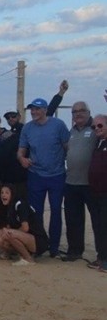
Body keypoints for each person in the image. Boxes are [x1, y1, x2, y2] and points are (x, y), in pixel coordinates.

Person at [17, 97, 70, 257]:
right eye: (32, 109)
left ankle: (54, 248)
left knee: (56, 211)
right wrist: (22, 159)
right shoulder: (27, 128)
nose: (34, 112)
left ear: (45, 110)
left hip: (57, 175)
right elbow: (21, 151)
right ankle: (39, 246)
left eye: (37, 109)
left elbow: (68, 147)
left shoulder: (58, 125)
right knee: (35, 213)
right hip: (36, 175)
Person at [62, 100, 97, 262]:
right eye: (75, 111)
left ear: (89, 112)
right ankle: (74, 251)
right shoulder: (71, 132)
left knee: (98, 221)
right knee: (73, 220)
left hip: (91, 184)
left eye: (82, 110)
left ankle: (102, 255)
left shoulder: (96, 128)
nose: (78, 113)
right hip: (71, 183)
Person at [0, 184, 49, 266]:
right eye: (2, 193)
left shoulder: (20, 205)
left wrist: (10, 231)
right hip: (26, 237)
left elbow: (25, 228)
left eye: (7, 193)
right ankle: (13, 253)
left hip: (38, 240)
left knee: (8, 234)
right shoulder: (8, 206)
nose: (3, 195)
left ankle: (28, 259)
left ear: (12, 194)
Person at [88, 114, 107, 272]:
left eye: (100, 125)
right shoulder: (98, 143)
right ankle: (101, 257)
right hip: (96, 193)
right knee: (98, 226)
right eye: (94, 127)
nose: (96, 129)